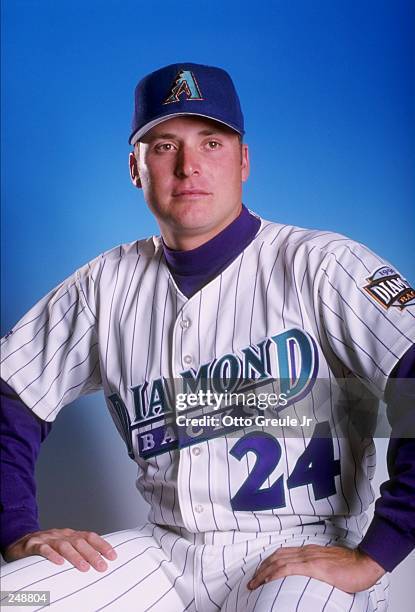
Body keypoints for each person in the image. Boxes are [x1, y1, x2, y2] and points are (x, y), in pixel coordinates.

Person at [1, 62, 414, 612]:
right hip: (162, 555)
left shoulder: (323, 265)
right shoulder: (105, 284)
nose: (189, 166)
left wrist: (378, 552)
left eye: (212, 143)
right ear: (135, 167)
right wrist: (15, 530)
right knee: (19, 595)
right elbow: (10, 394)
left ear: (244, 161)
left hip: (303, 553)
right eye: (164, 146)